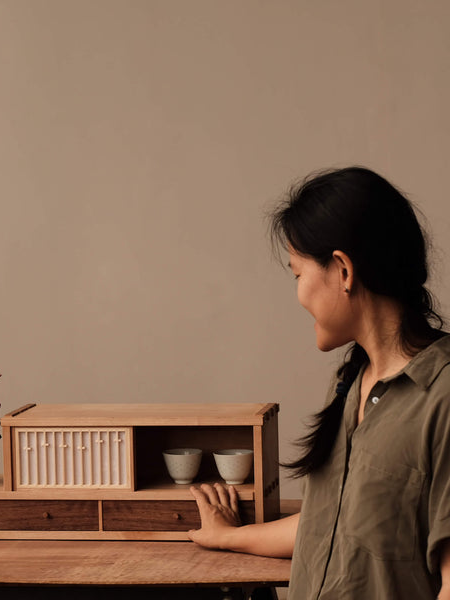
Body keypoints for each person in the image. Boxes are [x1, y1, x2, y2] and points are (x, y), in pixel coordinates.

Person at [187, 166, 450, 599]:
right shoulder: (350, 383)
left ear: (343, 270)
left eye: (297, 275)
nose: (298, 295)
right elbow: (329, 523)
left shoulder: (441, 398)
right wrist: (229, 535)